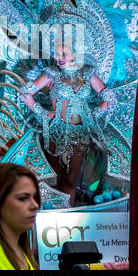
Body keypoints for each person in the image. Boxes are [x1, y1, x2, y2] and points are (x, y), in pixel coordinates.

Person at [20, 44, 115, 207]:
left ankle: (68, 218)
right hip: (55, 132)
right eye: (57, 54)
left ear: (74, 55)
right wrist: (42, 112)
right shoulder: (52, 74)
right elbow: (24, 93)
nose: (59, 58)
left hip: (79, 134)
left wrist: (96, 113)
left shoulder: (88, 73)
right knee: (55, 180)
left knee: (70, 181)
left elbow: (110, 96)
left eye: (64, 54)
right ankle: (53, 219)